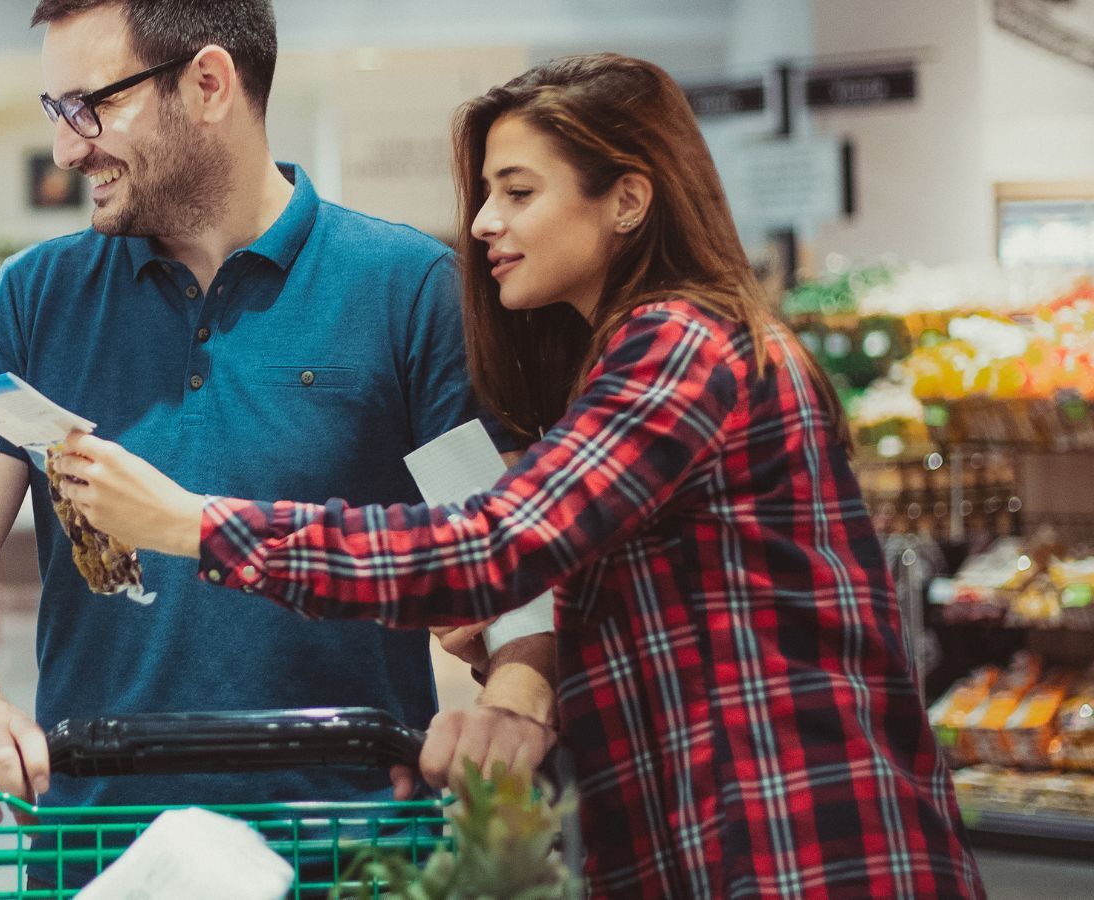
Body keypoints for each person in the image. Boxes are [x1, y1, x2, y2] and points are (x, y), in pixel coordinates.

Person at [54, 53, 985, 898]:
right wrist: (519, 669)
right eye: (486, 194)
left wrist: (194, 525)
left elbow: (496, 542)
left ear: (627, 199)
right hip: (702, 835)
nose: (484, 223)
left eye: (518, 192)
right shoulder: (626, 360)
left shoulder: (684, 344)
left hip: (800, 843)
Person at [0, 0, 558, 832]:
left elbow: (501, 543)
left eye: (92, 106)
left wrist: (520, 689)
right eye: (57, 112)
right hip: (100, 845)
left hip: (350, 843)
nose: (66, 147)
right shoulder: (33, 301)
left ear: (209, 83)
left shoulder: (406, 292)